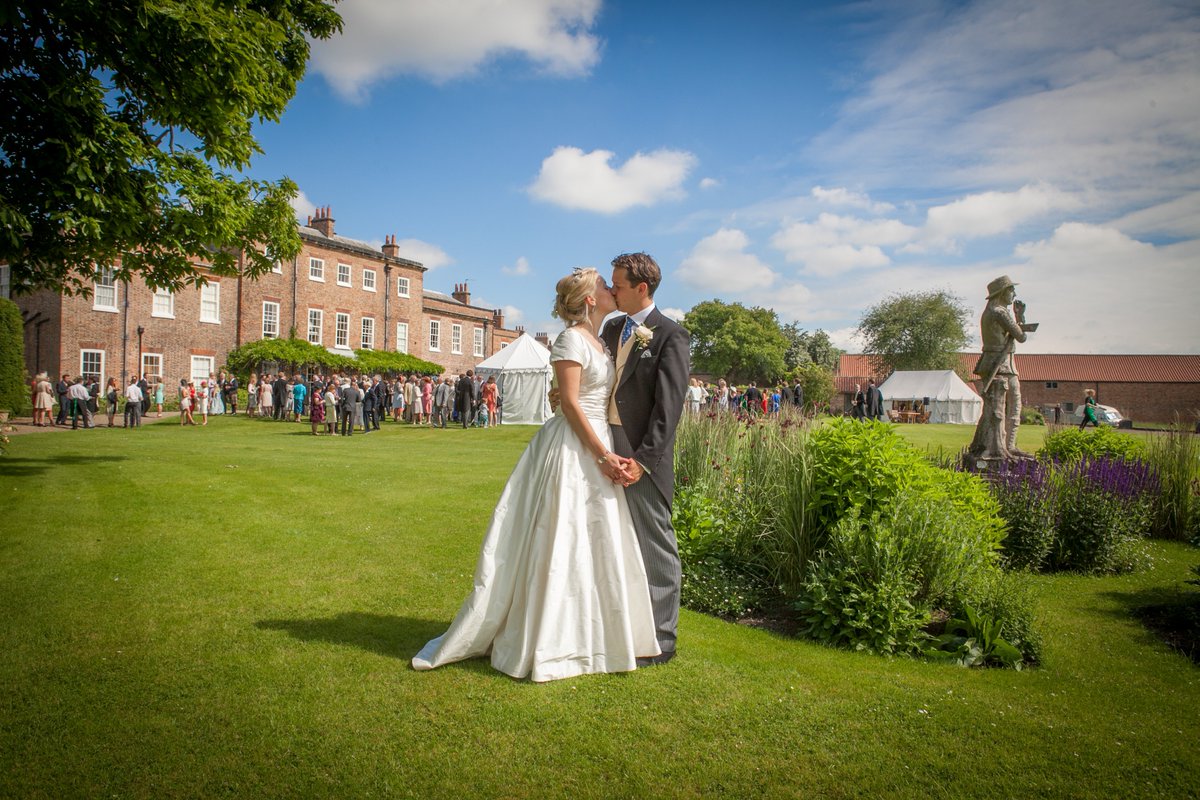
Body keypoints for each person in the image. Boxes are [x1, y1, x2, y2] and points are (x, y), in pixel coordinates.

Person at [413, 267, 659, 681]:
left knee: (596, 538)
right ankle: (548, 637)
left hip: (600, 440)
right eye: (603, 285)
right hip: (575, 446)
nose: (610, 288)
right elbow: (570, 404)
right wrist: (602, 455)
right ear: (588, 299)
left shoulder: (601, 340)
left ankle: (595, 637)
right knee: (560, 535)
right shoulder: (568, 339)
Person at [598, 252, 690, 665]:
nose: (612, 289)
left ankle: (662, 639)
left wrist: (643, 460)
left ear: (642, 288)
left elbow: (668, 409)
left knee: (655, 544)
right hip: (601, 443)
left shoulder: (670, 335)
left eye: (618, 284)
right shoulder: (612, 326)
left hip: (640, 452)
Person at [967, 275, 1036, 462]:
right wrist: (1019, 317)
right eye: (1011, 290)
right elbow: (1020, 336)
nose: (1014, 294)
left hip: (993, 361)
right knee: (1012, 406)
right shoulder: (1000, 312)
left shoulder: (990, 311)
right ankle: (1005, 446)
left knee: (994, 408)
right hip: (1001, 363)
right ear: (1003, 292)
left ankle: (1001, 444)